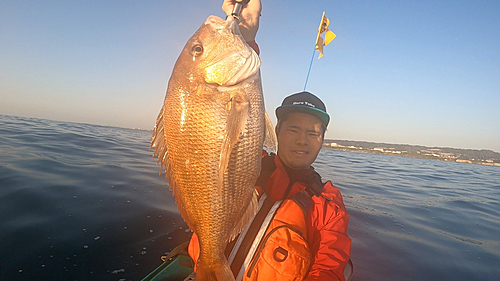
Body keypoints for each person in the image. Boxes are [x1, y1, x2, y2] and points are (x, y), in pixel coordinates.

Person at [187, 1, 351, 280]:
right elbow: (227, 112)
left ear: (322, 140)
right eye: (293, 130)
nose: (302, 140)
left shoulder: (328, 205)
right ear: (275, 130)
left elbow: (330, 266)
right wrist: (245, 34)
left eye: (313, 133)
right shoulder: (250, 167)